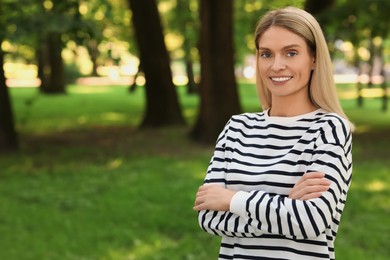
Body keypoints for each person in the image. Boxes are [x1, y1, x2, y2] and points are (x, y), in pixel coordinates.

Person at [193, 6, 353, 260]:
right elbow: (207, 217)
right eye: (266, 54)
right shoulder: (237, 127)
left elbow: (312, 221)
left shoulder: (329, 128)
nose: (277, 65)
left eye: (291, 53)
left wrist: (233, 200)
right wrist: (285, 206)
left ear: (313, 58)